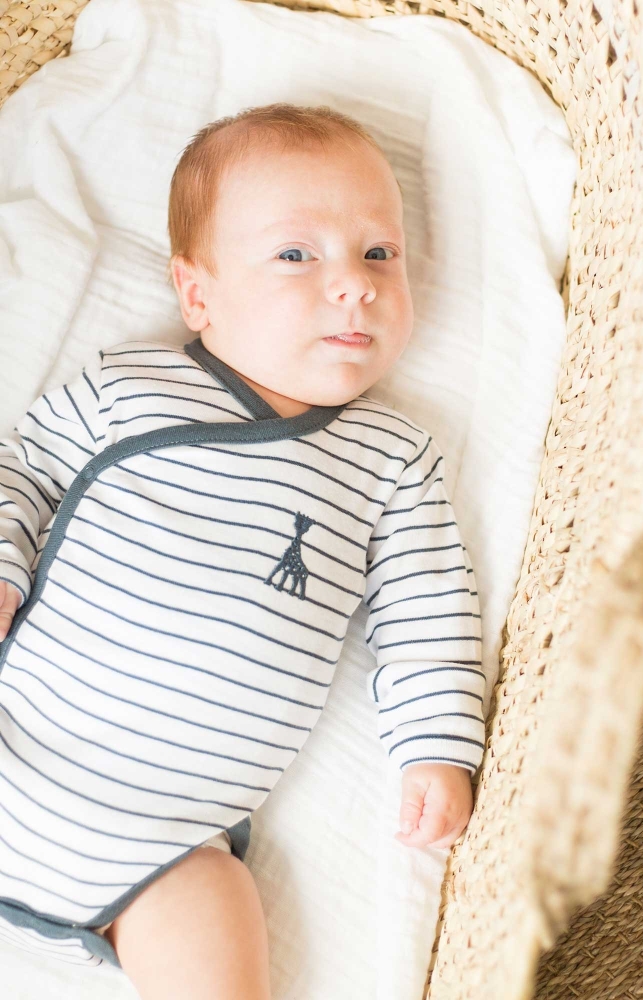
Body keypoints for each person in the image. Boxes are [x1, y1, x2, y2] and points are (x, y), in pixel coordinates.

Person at [0, 103, 485, 999]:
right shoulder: (130, 385)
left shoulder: (391, 460)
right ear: (198, 295)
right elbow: (22, 469)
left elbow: (429, 615)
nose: (354, 284)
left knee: (216, 911)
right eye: (297, 254)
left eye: (379, 252)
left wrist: (436, 746)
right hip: (19, 739)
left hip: (166, 850)